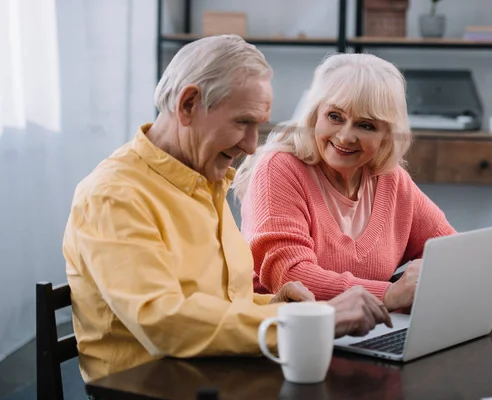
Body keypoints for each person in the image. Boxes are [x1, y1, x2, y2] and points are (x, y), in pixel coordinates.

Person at [62, 35, 392, 383]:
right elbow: (165, 321)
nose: (252, 146)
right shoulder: (113, 196)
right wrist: (314, 320)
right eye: (242, 122)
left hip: (215, 374)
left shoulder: (203, 180)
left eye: (258, 126)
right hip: (152, 387)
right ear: (188, 104)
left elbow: (217, 302)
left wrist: (275, 306)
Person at [234, 53, 456, 312]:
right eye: (335, 117)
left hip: (363, 333)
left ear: (387, 135)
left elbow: (450, 252)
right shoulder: (280, 168)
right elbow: (293, 277)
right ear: (315, 114)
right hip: (277, 336)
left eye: (366, 125)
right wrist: (389, 294)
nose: (345, 136)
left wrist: (421, 279)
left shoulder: (390, 180)